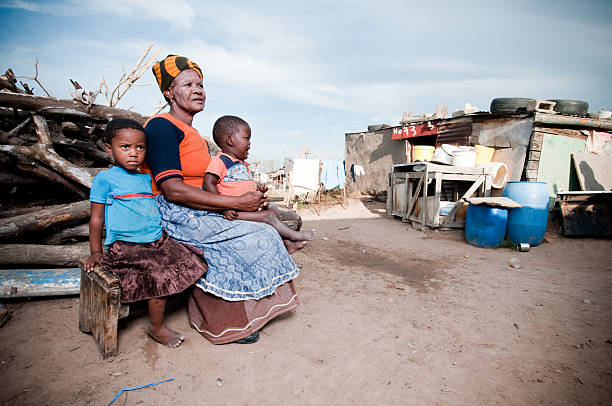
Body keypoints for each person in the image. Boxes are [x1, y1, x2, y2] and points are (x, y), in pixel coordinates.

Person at [141, 54, 300, 345]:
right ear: (168, 93)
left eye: (200, 84)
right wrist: (235, 205)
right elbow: (173, 190)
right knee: (252, 237)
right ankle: (223, 320)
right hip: (174, 212)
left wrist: (245, 199)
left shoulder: (197, 137)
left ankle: (245, 310)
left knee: (264, 227)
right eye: (187, 84)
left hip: (197, 207)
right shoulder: (161, 126)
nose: (198, 89)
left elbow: (213, 183)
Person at [83, 118, 207, 348]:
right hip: (128, 247)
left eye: (140, 147)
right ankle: (156, 327)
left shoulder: (145, 178)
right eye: (125, 147)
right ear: (109, 148)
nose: (134, 153)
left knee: (193, 258)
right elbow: (96, 218)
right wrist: (95, 251)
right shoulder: (105, 180)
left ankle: (194, 311)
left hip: (156, 241)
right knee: (158, 279)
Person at [203, 115, 315, 248]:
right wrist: (223, 208)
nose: (250, 143)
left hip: (245, 208)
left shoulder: (242, 164)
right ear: (230, 140)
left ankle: (285, 244)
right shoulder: (220, 161)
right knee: (268, 216)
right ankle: (293, 235)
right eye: (247, 138)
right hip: (232, 212)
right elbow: (208, 183)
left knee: (272, 213)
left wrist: (258, 191)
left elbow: (240, 186)